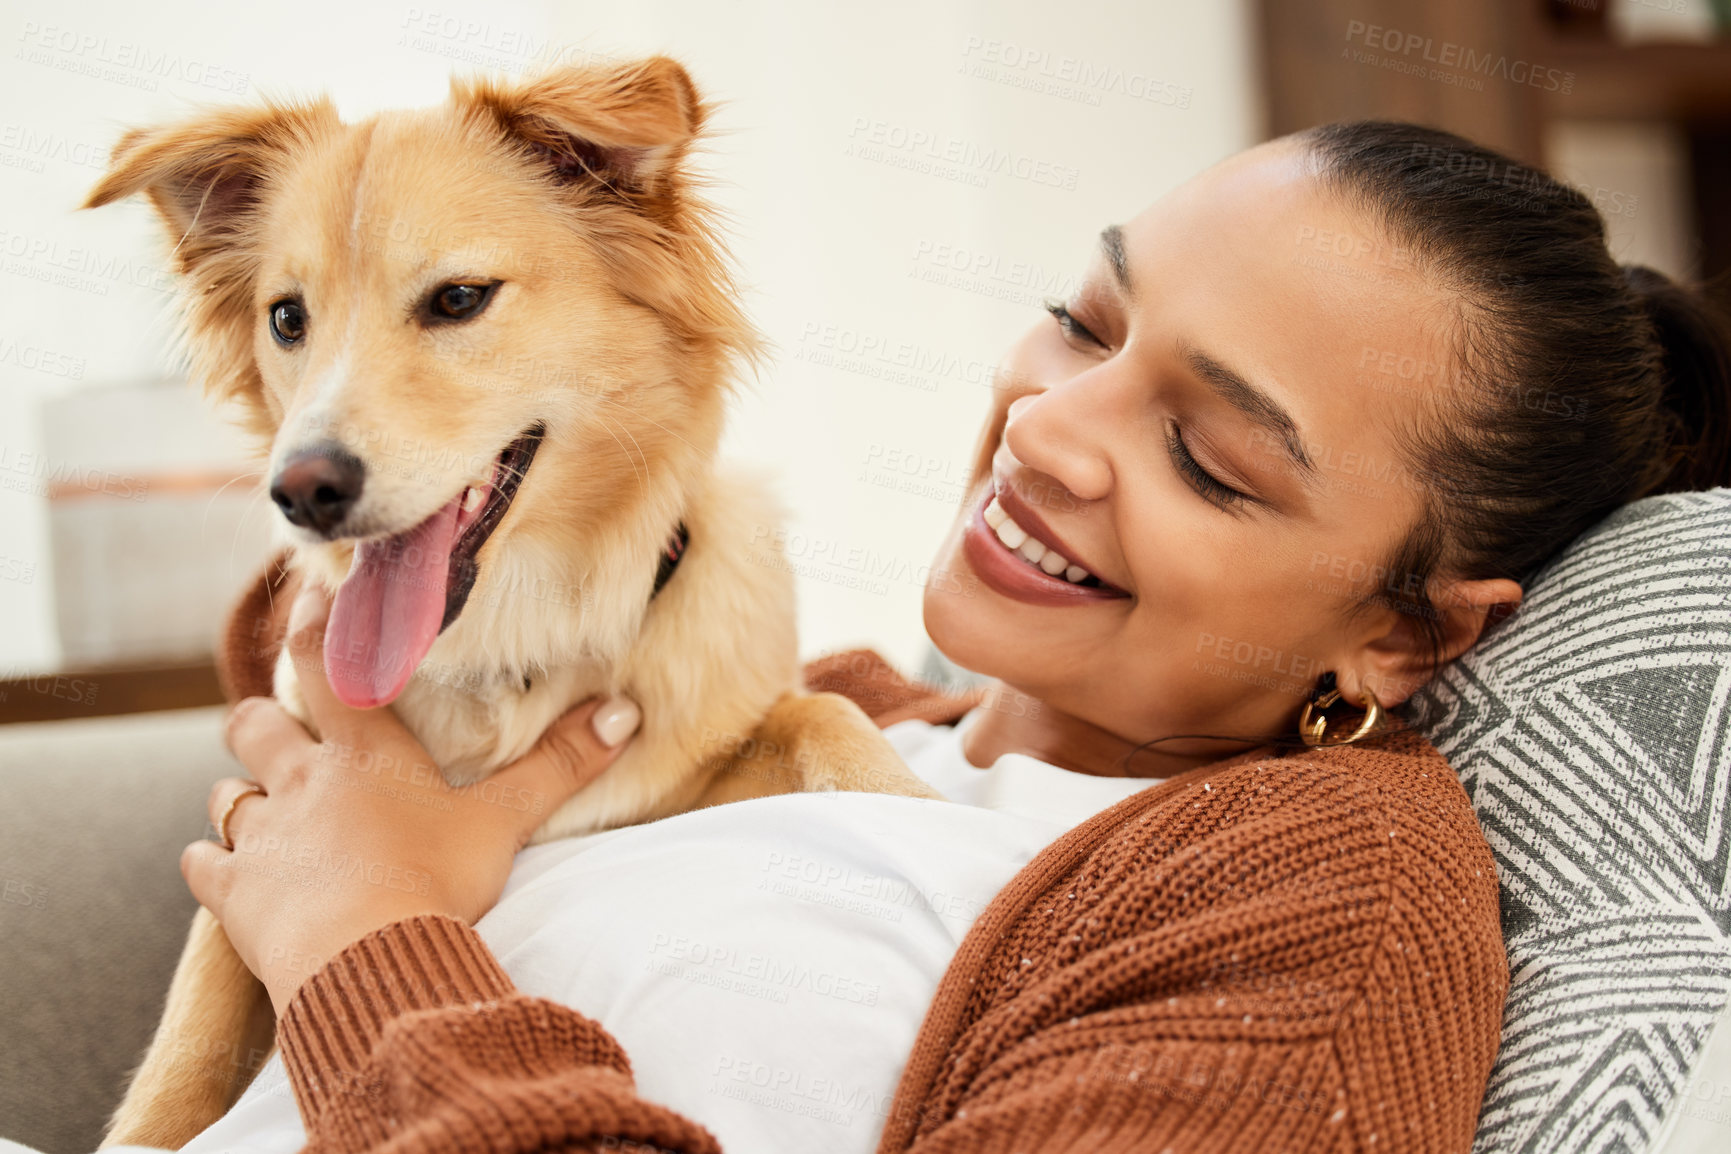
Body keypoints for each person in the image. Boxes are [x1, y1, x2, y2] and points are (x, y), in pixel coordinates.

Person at [170, 122, 1731, 1153]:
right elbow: (379, 664)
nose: (1046, 428)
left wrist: (370, 941)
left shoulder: (1323, 896)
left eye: (1209, 459)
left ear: (1404, 634)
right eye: (1087, 321)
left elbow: (378, 897)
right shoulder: (835, 712)